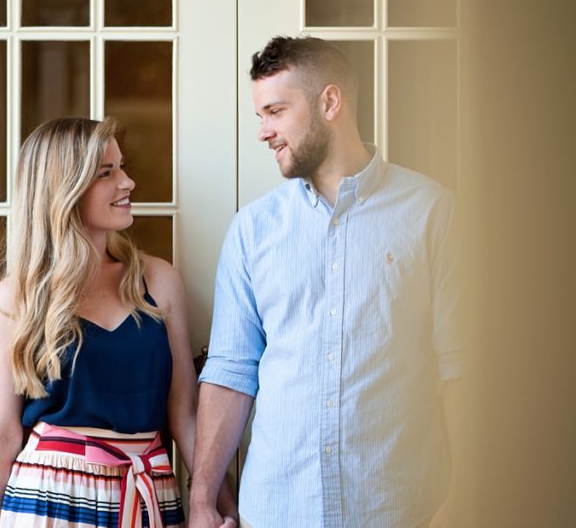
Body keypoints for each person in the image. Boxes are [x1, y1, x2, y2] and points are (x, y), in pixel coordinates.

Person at [189, 37, 464, 528]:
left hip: (400, 511)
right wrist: (202, 500)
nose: (263, 132)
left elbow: (462, 369)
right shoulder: (253, 231)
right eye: (260, 116)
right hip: (276, 511)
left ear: (330, 102)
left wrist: (465, 499)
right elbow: (231, 372)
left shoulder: (432, 214)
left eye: (275, 111)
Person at [0, 117, 237, 528]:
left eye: (123, 167)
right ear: (66, 189)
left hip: (148, 491)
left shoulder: (158, 280)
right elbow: (2, 431)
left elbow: (183, 412)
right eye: (107, 173)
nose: (128, 182)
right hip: (47, 500)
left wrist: (221, 507)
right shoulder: (15, 298)